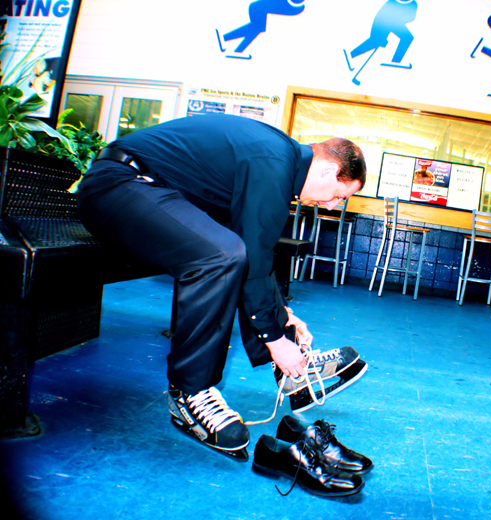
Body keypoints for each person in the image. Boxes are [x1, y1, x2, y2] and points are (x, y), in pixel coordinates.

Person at [76, 113, 368, 461]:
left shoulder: (277, 160)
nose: (332, 205)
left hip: (152, 190)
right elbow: (246, 253)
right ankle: (191, 392)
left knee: (233, 252)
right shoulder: (273, 162)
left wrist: (281, 321)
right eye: (337, 194)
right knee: (221, 256)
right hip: (117, 186)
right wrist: (273, 339)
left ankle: (293, 373)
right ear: (325, 170)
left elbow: (256, 256)